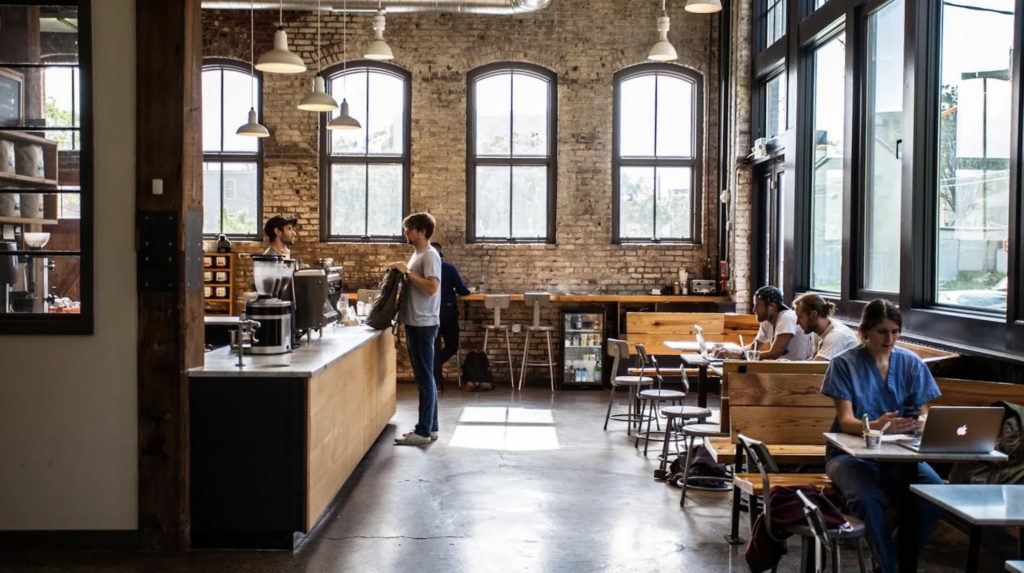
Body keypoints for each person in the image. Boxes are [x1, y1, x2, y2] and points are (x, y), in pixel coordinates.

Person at [820, 299, 944, 573]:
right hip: (849, 455)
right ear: (865, 331)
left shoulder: (911, 363)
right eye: (881, 331)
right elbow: (847, 422)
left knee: (934, 494)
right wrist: (877, 424)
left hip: (901, 454)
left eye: (895, 331)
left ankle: (892, 562)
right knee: (866, 499)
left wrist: (922, 423)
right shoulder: (844, 364)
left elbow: (922, 412)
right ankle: (891, 568)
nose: (889, 338)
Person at [391, 213, 442, 446]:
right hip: (416, 322)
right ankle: (431, 428)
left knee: (424, 379)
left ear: (421, 231)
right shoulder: (418, 254)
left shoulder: (430, 255)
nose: (405, 233)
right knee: (426, 378)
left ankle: (422, 432)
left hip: (423, 323)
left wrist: (407, 272)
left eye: (408, 229)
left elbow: (432, 288)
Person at [715, 285, 813, 360]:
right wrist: (732, 352)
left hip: (798, 370)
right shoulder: (766, 320)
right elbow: (755, 347)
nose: (754, 310)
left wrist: (739, 354)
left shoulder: (786, 318)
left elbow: (774, 354)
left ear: (771, 307)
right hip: (782, 369)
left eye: (757, 305)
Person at [430, 242, 471, 391]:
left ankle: (437, 382)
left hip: (430, 312)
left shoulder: (423, 270)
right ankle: (435, 369)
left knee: (433, 348)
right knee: (452, 346)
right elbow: (463, 291)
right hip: (447, 311)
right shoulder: (449, 268)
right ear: (442, 254)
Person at [793, 293, 860, 361]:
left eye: (800, 317)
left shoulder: (835, 336)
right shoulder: (818, 331)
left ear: (814, 315)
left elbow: (813, 369)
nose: (797, 322)